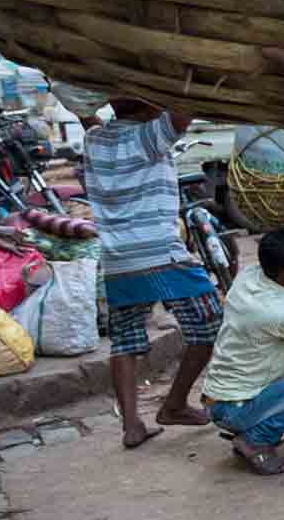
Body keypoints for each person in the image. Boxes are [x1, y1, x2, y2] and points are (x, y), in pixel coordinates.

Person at [83, 98, 221, 449]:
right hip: (159, 251)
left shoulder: (95, 138)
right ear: (148, 106)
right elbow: (183, 107)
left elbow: (86, 114)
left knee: (125, 340)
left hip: (118, 257)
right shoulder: (148, 136)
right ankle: (174, 404)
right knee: (210, 323)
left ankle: (132, 426)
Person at [201, 227, 284, 475]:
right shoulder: (281, 313)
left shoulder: (251, 277)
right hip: (235, 406)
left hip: (220, 397)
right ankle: (255, 441)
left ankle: (258, 423)